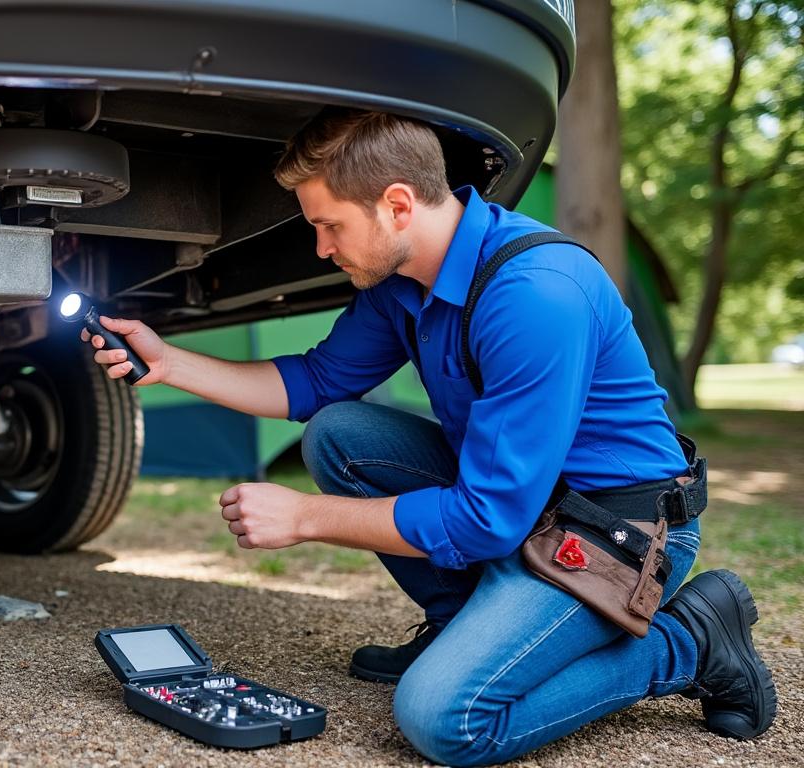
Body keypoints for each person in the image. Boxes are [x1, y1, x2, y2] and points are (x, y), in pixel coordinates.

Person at [78, 109, 776, 765]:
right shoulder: (400, 280)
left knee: (445, 717)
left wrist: (305, 518)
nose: (321, 249)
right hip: (526, 505)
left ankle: (688, 642)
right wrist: (170, 363)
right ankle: (462, 625)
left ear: (399, 204)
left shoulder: (534, 293)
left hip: (615, 530)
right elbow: (316, 383)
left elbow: (486, 522)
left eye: (330, 226)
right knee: (338, 434)